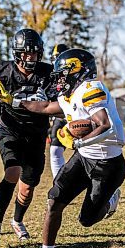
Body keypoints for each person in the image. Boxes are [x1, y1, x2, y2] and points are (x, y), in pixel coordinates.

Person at [20, 48, 125, 248]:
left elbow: (104, 125)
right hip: (85, 158)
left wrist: (78, 142)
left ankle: (110, 201)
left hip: (108, 164)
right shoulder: (69, 94)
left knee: (86, 220)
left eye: (62, 73)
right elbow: (47, 107)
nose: (58, 78)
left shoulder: (90, 89)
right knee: (54, 201)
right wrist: (18, 102)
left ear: (77, 72)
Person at [0, 29, 54, 247]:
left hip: (36, 133)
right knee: (12, 171)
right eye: (27, 53)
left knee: (28, 187)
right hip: (10, 129)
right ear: (18, 53)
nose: (31, 57)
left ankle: (17, 220)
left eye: (35, 53)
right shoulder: (1, 71)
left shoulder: (48, 74)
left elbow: (57, 105)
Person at [48, 43, 70, 178]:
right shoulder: (51, 76)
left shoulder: (75, 73)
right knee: (55, 151)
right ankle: (59, 186)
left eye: (59, 58)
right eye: (55, 58)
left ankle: (108, 188)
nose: (56, 61)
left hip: (79, 116)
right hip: (61, 116)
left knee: (87, 154)